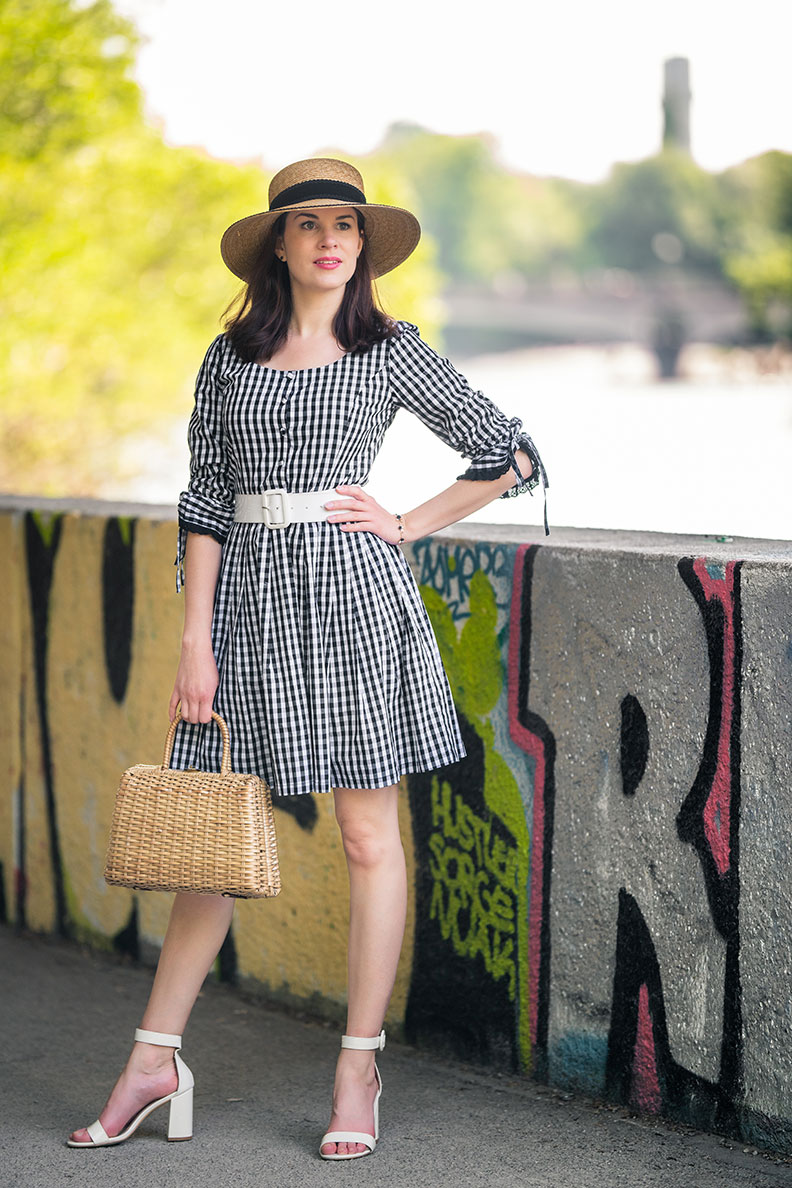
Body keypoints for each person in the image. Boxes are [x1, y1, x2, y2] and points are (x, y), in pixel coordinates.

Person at [67, 157, 548, 1160]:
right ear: (278, 244)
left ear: (362, 245)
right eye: (309, 223)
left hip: (352, 603)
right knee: (208, 843)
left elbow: (509, 451)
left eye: (347, 223)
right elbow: (204, 505)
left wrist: (407, 522)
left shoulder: (390, 352)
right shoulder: (228, 357)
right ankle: (151, 1061)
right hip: (241, 613)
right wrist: (193, 640)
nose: (331, 238)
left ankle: (358, 1066)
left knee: (369, 840)